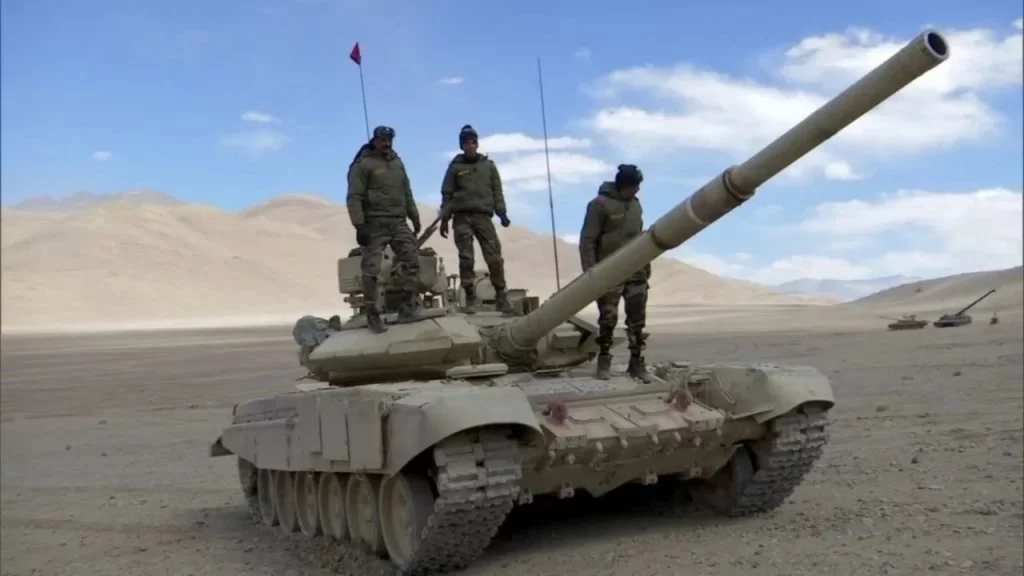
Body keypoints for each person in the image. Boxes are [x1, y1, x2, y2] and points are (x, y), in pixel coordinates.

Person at [578, 164, 651, 381]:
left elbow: (641, 237)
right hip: (609, 271)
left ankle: (637, 363)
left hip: (636, 271)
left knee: (637, 320)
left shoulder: (636, 206)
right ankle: (604, 360)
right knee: (608, 319)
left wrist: (646, 265)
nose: (636, 191)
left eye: (638, 187)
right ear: (623, 186)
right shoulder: (599, 205)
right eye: (633, 187)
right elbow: (587, 240)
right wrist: (591, 272)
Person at [346, 125, 422, 333]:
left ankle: (406, 309)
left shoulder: (397, 163)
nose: (387, 143)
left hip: (398, 222)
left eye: (390, 140)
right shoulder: (363, 165)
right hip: (375, 223)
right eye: (383, 140)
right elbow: (354, 197)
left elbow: (407, 191)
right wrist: (359, 225)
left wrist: (414, 216)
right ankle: (373, 315)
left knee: (413, 261)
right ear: (375, 140)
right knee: (371, 270)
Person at [438, 124, 512, 314]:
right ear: (462, 146)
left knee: (494, 257)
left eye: (473, 142)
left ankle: (501, 296)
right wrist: (444, 219)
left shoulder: (488, 166)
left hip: (483, 216)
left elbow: (497, 191)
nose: (470, 146)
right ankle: (470, 296)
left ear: (477, 144)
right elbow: (447, 194)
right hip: (462, 217)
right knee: (466, 258)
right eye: (466, 143)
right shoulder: (455, 168)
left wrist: (501, 213)